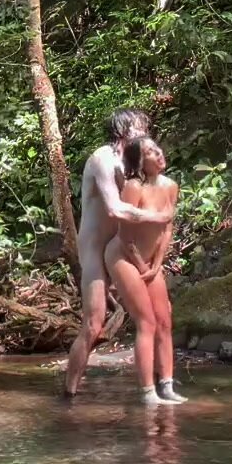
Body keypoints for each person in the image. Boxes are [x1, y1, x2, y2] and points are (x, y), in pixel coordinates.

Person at [63, 108, 154, 399]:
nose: (147, 132)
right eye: (141, 126)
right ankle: (68, 394)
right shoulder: (101, 159)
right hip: (92, 246)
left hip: (117, 246)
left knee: (149, 314)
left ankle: (152, 390)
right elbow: (115, 208)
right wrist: (157, 217)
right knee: (93, 322)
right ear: (124, 130)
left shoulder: (132, 163)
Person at [104, 133, 184, 406]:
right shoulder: (133, 187)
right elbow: (125, 237)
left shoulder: (171, 186)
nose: (159, 153)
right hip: (123, 257)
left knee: (165, 321)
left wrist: (157, 264)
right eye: (151, 151)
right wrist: (142, 267)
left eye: (157, 148)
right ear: (139, 162)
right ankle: (148, 392)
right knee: (147, 321)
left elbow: (167, 227)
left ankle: (168, 386)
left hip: (150, 261)